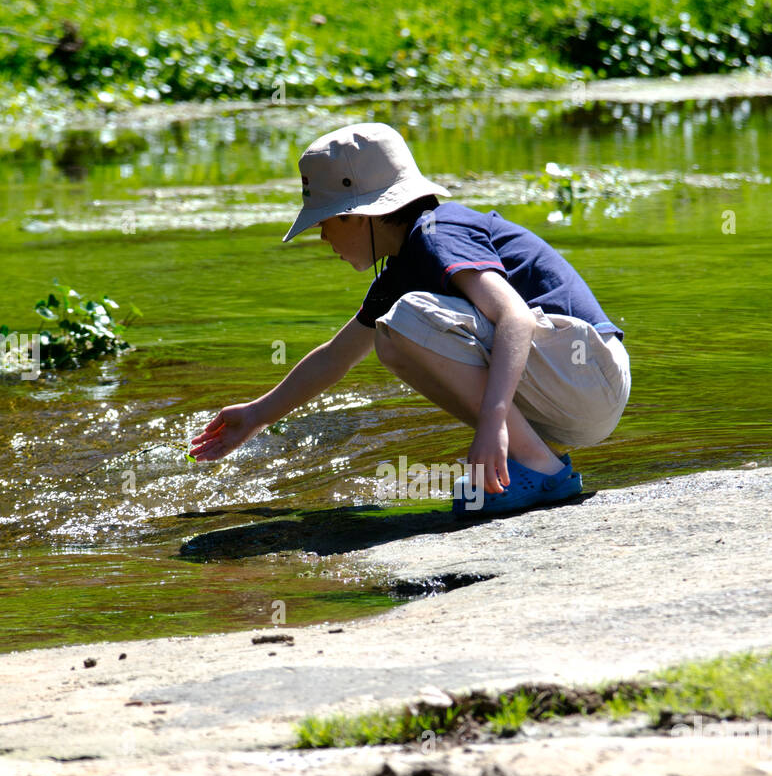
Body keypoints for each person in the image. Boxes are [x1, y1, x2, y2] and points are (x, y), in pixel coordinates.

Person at [189, 121, 630, 515]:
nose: (322, 235)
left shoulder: (438, 233)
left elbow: (514, 315)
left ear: (360, 214)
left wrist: (493, 423)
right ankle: (531, 459)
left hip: (588, 371)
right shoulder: (404, 265)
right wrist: (257, 415)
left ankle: (538, 466)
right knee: (390, 334)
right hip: (574, 385)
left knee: (405, 320)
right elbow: (335, 358)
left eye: (326, 221)